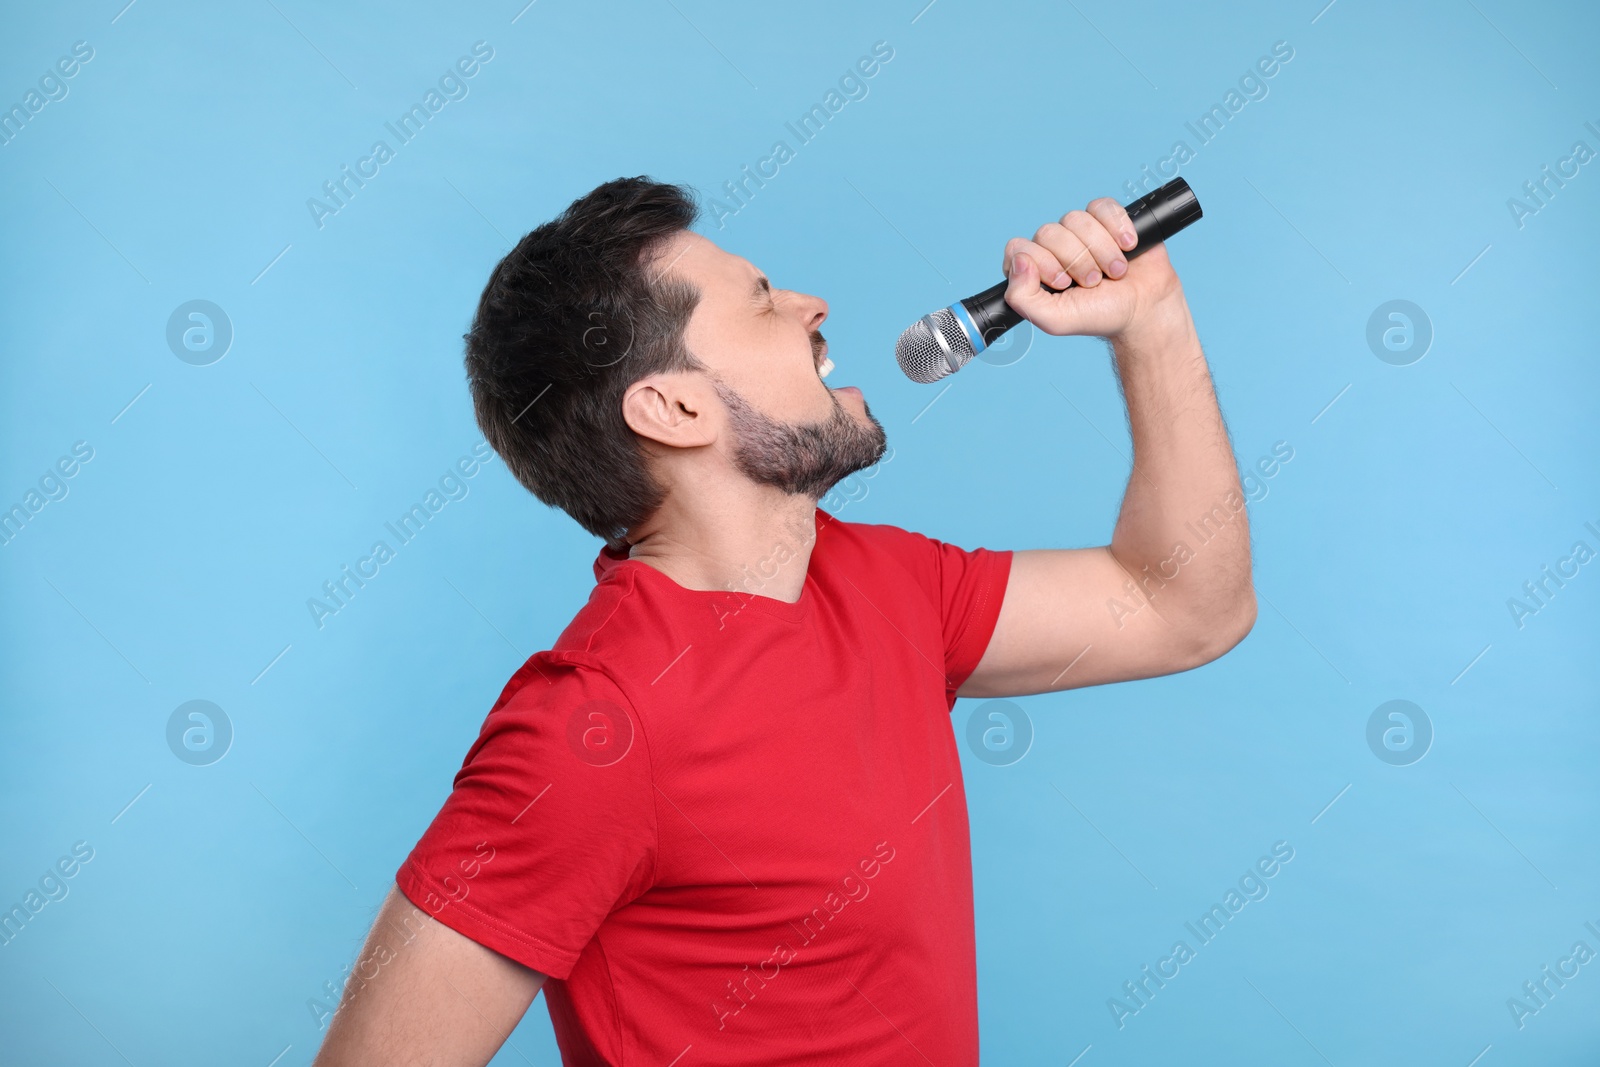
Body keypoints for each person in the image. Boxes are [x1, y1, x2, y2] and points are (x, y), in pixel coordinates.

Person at [311, 177, 1255, 1066]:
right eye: (761, 299)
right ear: (675, 407)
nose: (811, 304)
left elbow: (1186, 608)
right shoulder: (594, 724)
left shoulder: (891, 584)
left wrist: (1151, 320)